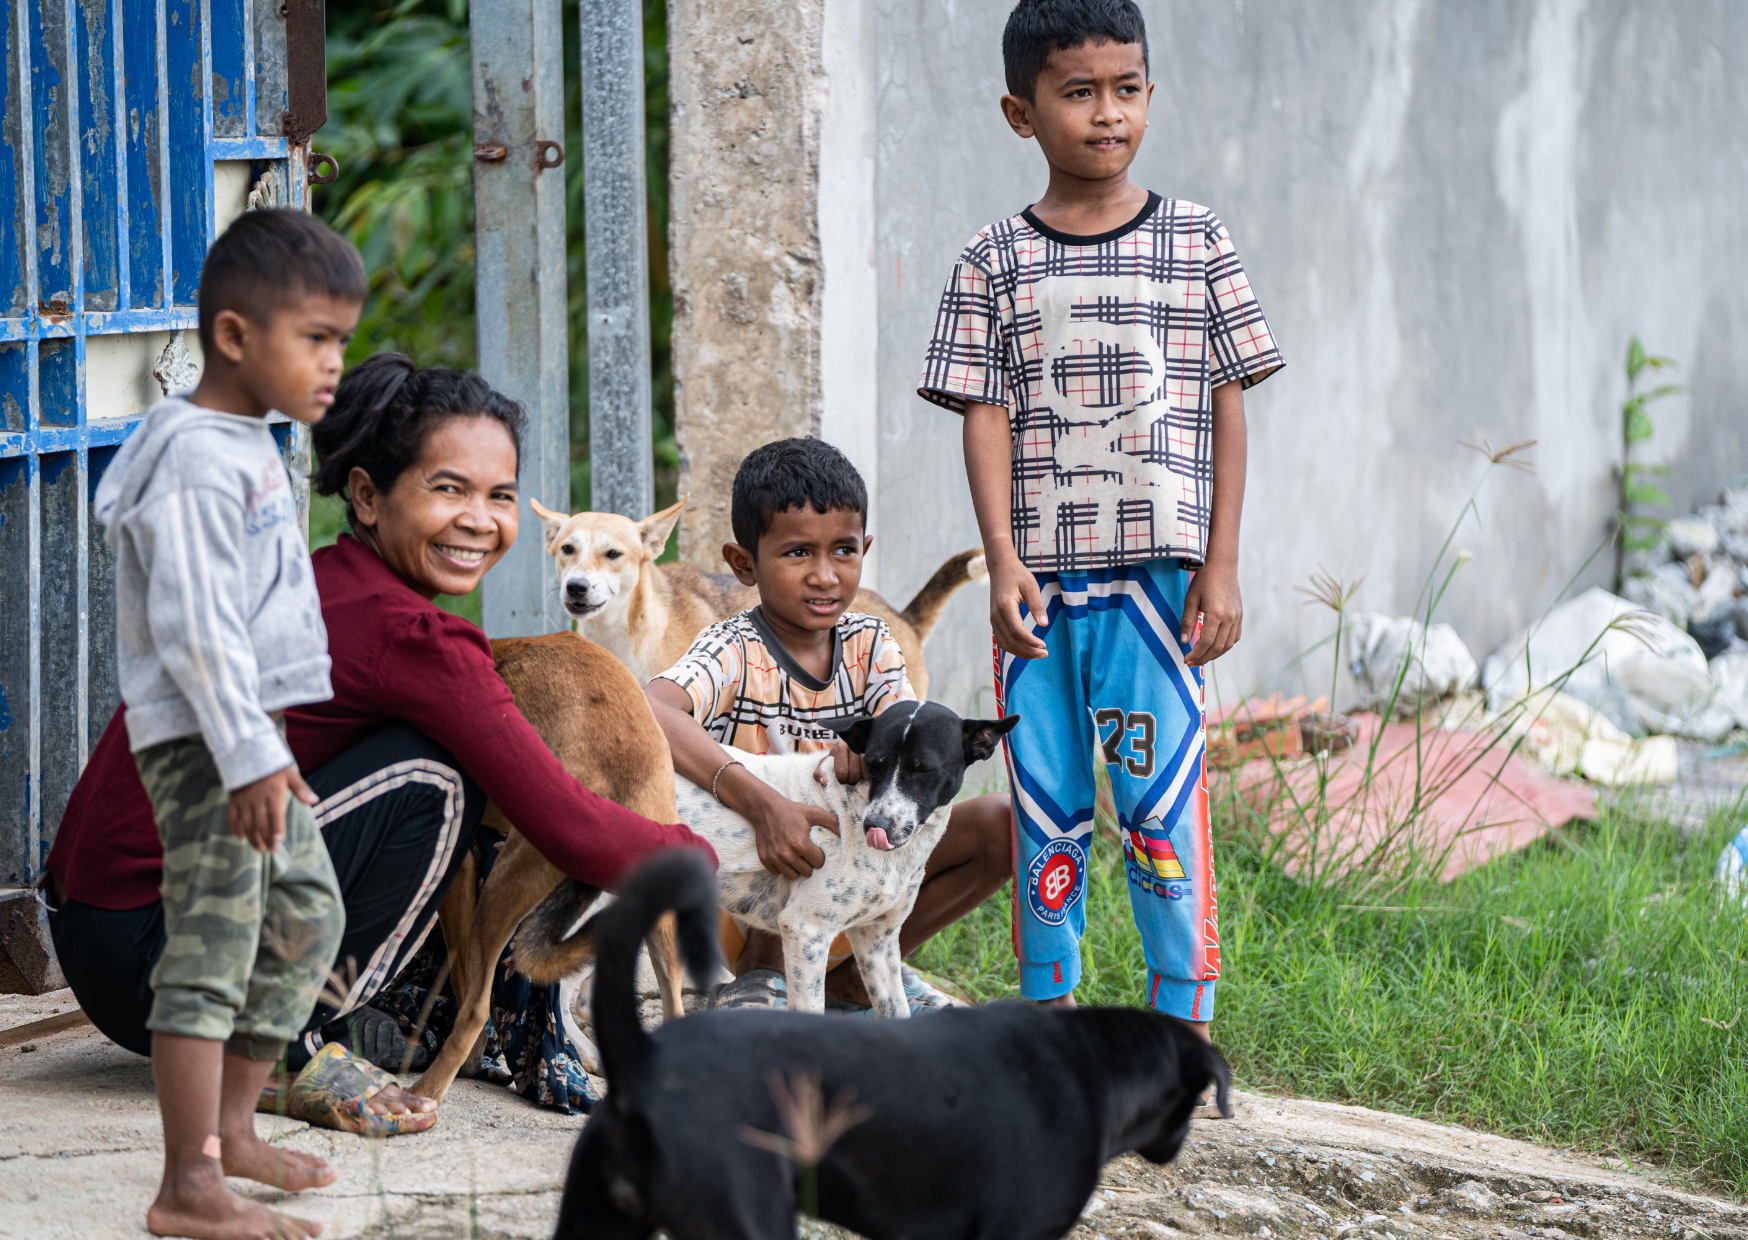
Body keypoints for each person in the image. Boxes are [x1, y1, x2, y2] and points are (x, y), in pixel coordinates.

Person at [48, 354, 718, 1158]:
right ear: (367, 495)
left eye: (499, 496)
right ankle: (279, 1045)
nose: (479, 519)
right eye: (448, 489)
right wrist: (699, 853)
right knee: (433, 783)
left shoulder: (315, 578)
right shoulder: (407, 636)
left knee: (412, 759)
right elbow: (570, 829)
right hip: (155, 965)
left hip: (98, 933)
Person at [917, 0, 1283, 1033]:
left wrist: (1221, 563)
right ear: (1019, 112)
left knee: (1160, 799)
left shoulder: (1194, 237)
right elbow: (982, 414)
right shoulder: (994, 258)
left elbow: (1225, 403)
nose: (1106, 114)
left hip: (1159, 585)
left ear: (1149, 96)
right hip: (1040, 584)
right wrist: (998, 563)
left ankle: (1182, 1019)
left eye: (1124, 90)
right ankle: (1049, 1010)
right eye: (1077, 92)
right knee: (1045, 803)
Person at [85, 208, 359, 1240]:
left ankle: (234, 1133)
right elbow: (194, 626)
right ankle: (187, 1185)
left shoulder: (242, 441)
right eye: (315, 338)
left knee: (303, 920)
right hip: (210, 746)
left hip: (248, 739)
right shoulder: (198, 459)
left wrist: (266, 745)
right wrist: (249, 755)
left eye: (341, 338)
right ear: (237, 337)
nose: (333, 363)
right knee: (212, 946)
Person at [644, 438, 1012, 1012]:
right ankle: (760, 976)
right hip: (746, 885)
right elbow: (653, 709)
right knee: (803, 823)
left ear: (863, 552)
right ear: (745, 564)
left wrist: (877, 747)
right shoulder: (730, 648)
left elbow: (913, 733)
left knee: (1000, 823)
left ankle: (855, 982)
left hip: (852, 884)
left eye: (842, 551)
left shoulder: (875, 643)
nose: (824, 575)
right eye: (796, 554)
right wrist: (763, 803)